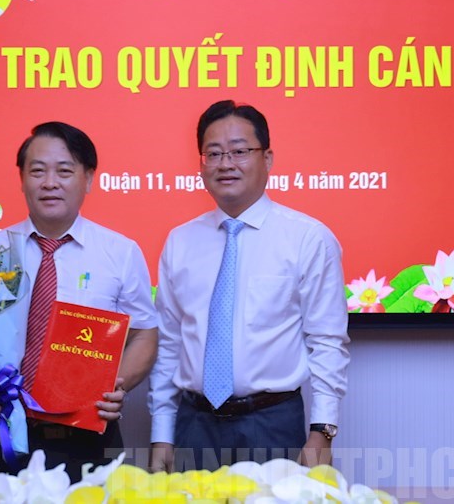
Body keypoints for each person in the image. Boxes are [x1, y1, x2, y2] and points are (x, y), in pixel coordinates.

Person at [148, 100, 349, 472]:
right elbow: (169, 344)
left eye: (239, 151)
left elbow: (327, 341)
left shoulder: (307, 238)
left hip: (271, 424)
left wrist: (322, 431)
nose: (226, 164)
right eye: (214, 153)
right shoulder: (180, 241)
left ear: (267, 159)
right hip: (194, 425)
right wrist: (162, 433)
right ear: (202, 164)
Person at [0, 121, 158, 482]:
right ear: (21, 178)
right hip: (10, 436)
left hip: (91, 437)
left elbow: (145, 333)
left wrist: (117, 384)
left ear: (88, 179)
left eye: (64, 171)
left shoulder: (119, 252)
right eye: (37, 171)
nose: (50, 182)